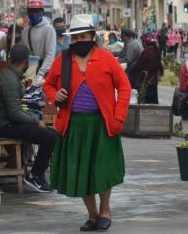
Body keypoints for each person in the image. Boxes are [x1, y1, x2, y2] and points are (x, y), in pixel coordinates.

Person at [44, 14, 131, 232]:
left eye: (83, 36)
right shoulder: (63, 60)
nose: (79, 42)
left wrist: (118, 117)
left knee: (102, 169)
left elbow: (125, 88)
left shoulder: (106, 59)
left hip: (102, 124)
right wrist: (56, 96)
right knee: (81, 170)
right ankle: (92, 215)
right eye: (75, 38)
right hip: (74, 125)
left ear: (92, 36)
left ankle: (105, 210)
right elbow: (47, 86)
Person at [0, 44, 56, 193]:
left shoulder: (8, 74)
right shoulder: (10, 80)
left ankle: (36, 174)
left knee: (50, 133)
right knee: (50, 137)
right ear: (25, 62)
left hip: (7, 121)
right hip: (5, 125)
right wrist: (36, 120)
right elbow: (14, 113)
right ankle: (35, 175)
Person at [21, 0, 56, 85]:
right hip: (29, 70)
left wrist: (41, 73)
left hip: (44, 71)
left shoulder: (48, 29)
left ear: (42, 12)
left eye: (37, 11)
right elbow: (24, 53)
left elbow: (50, 54)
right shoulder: (25, 31)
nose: (34, 14)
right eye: (31, 11)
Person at [130, 34, 163, 104]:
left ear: (144, 42)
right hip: (153, 79)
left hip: (146, 80)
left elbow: (138, 65)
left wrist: (131, 70)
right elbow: (160, 65)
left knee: (145, 100)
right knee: (153, 100)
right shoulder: (156, 50)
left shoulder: (146, 52)